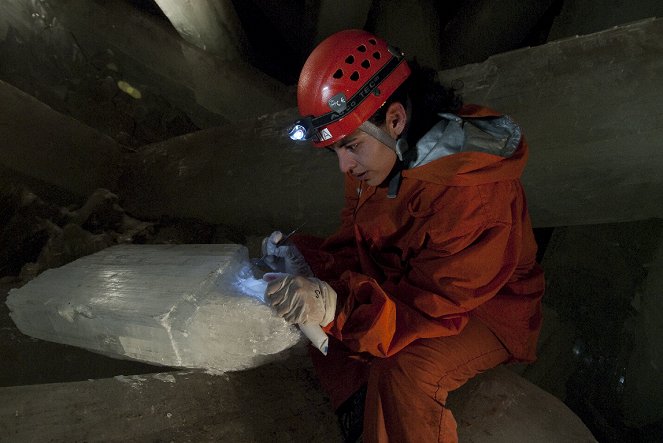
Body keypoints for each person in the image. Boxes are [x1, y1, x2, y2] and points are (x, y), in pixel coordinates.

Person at [262, 29, 545, 443]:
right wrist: (304, 267)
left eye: (350, 146)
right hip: (406, 279)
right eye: (335, 150)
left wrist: (335, 309)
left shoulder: (472, 198)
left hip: (483, 307)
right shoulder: (380, 155)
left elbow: (433, 308)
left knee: (407, 370)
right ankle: (358, 405)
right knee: (303, 259)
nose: (343, 166)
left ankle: (388, 409)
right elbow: (354, 234)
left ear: (394, 119)